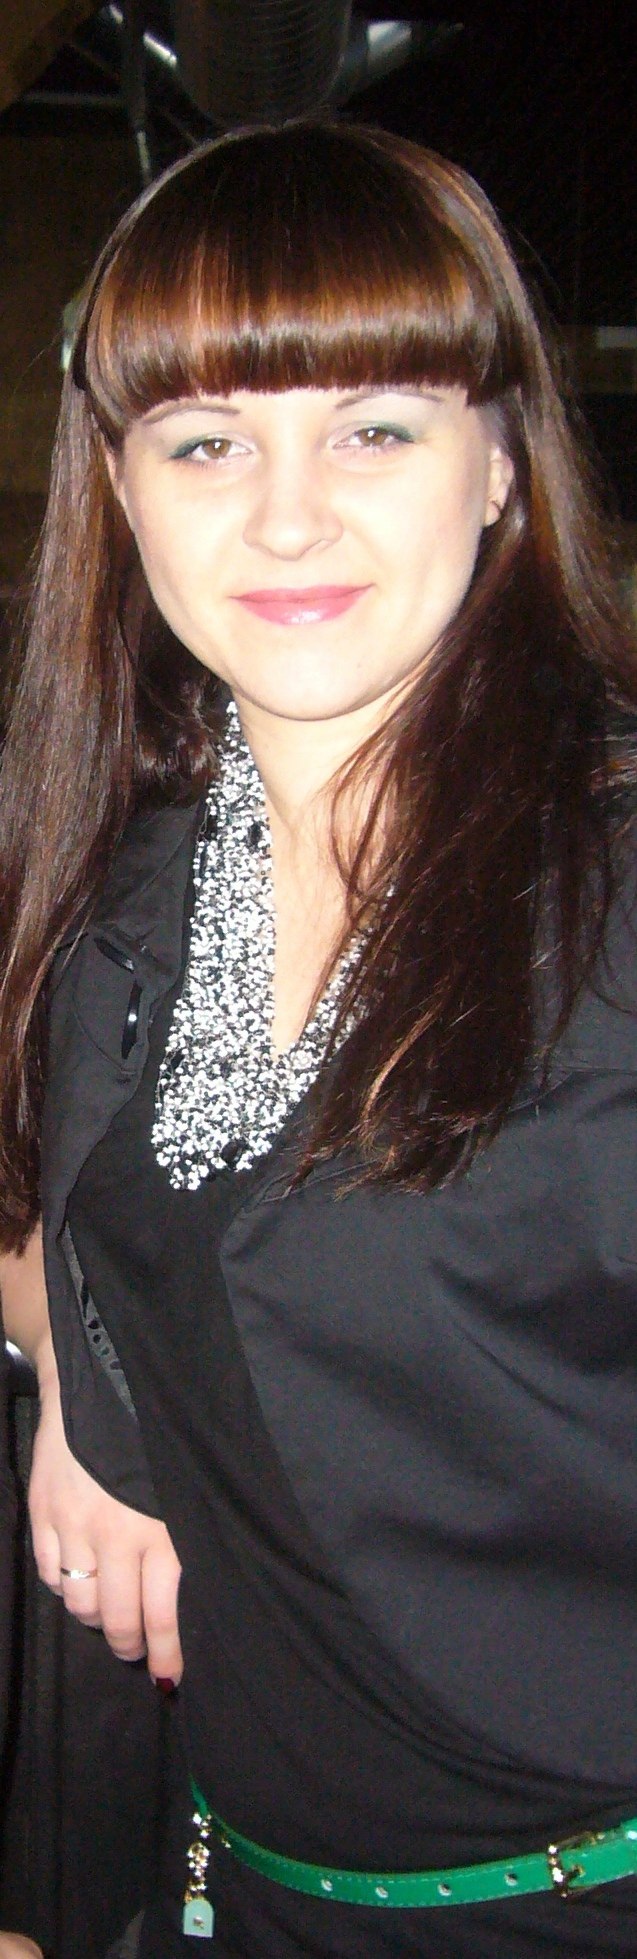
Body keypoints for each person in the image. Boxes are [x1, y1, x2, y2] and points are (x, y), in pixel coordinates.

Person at [0, 115, 636, 1959]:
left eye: (374, 429)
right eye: (207, 442)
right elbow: (59, 1191)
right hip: (228, 1872)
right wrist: (84, 1390)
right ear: (121, 491)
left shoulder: (608, 906)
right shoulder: (123, 867)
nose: (286, 516)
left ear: (497, 463)